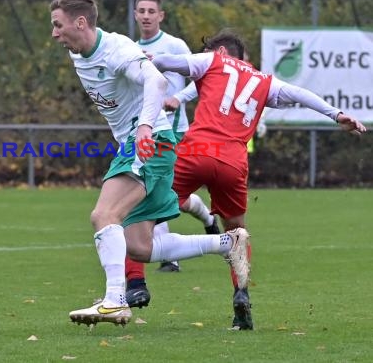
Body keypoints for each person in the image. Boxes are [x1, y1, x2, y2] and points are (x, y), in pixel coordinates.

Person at [50, 0, 251, 327]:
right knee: (140, 247)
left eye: (58, 25)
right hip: (144, 143)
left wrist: (144, 126)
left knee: (104, 214)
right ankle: (226, 243)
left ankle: (115, 300)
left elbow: (156, 80)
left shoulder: (115, 49)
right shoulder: (80, 53)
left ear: (80, 22)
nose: (54, 33)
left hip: (148, 142)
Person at [152, 30, 367, 330]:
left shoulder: (214, 61)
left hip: (197, 150)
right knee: (238, 231)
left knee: (145, 208)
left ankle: (129, 287)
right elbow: (298, 93)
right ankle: (241, 294)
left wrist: (142, 60)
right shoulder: (264, 81)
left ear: (223, 51)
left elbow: (167, 61)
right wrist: (336, 114)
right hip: (233, 160)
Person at [124, 0, 220, 309]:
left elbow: (204, 78)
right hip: (143, 133)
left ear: (161, 15)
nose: (147, 15)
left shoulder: (175, 46)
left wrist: (180, 99)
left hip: (173, 133)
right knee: (162, 195)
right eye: (142, 11)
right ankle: (209, 224)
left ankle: (139, 278)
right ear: (135, 15)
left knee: (155, 195)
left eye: (152, 11)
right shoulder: (130, 49)